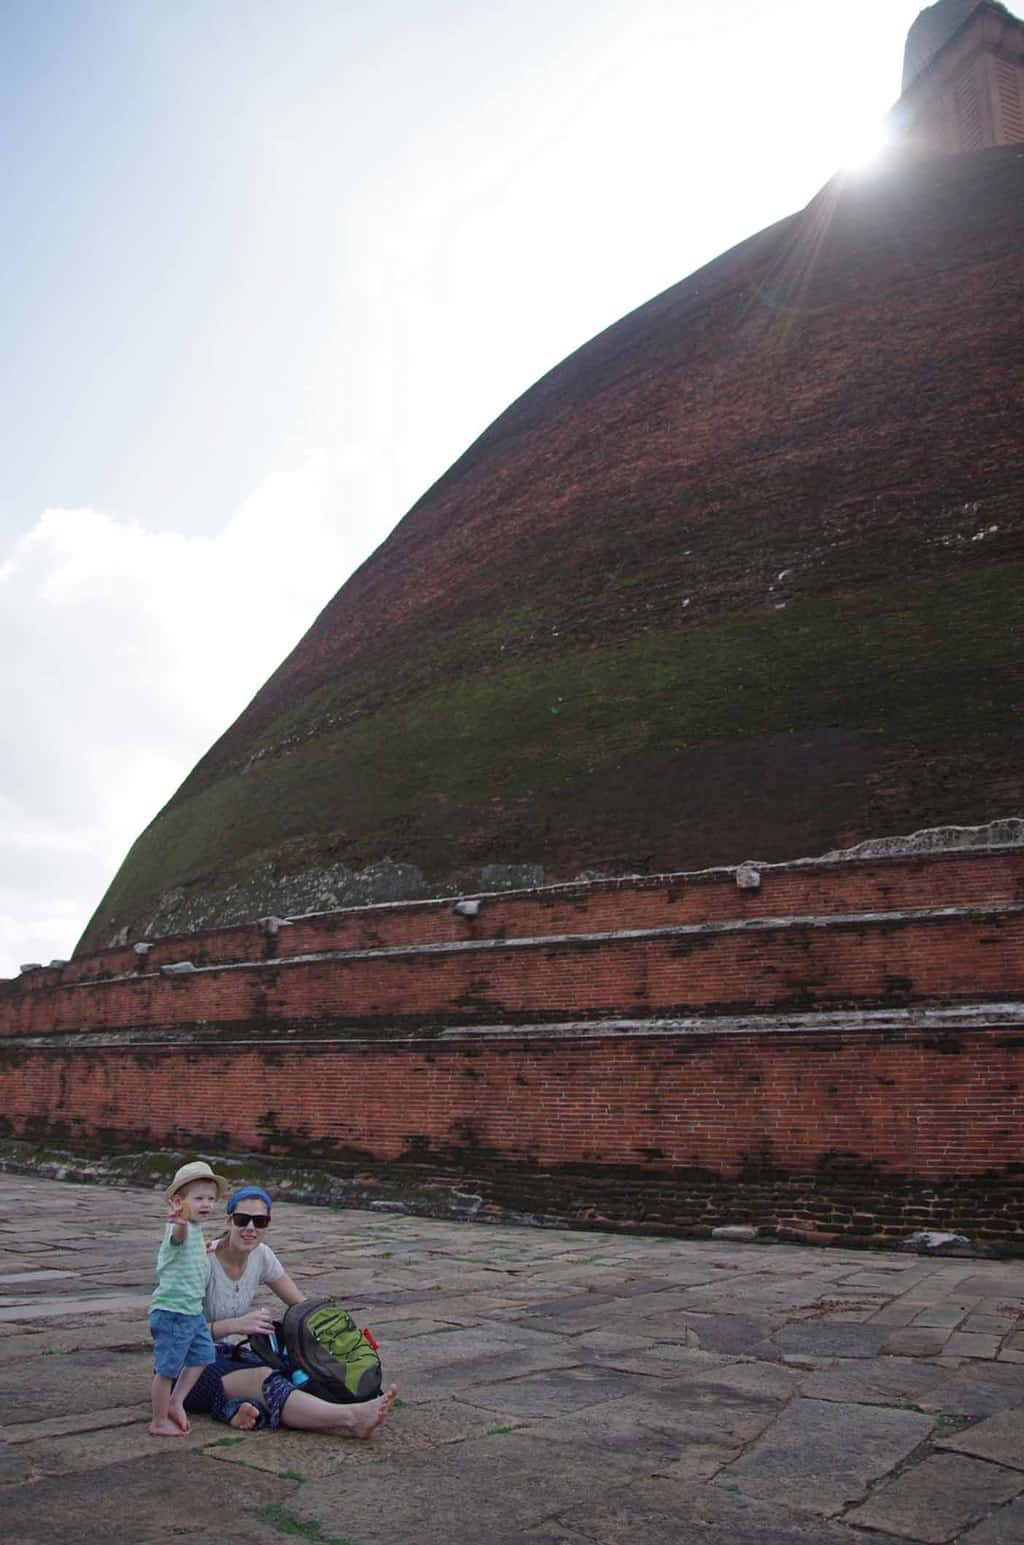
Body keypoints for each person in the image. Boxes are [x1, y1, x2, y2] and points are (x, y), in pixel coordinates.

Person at [184, 1184, 396, 1438]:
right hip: (188, 1367)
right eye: (242, 1220)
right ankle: (352, 1418)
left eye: (259, 1221)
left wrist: (336, 1340)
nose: (250, 1228)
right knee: (264, 1379)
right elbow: (179, 1334)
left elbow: (303, 1307)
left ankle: (234, 1409)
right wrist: (237, 1325)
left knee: (290, 1372)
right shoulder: (202, 1261)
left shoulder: (261, 1255)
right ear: (229, 1221)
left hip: (232, 1356)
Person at [149, 1159, 229, 1437]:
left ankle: (176, 1401)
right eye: (198, 1199)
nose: (206, 1204)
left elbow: (187, 1247)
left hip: (192, 1311)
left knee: (204, 1356)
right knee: (167, 1368)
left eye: (210, 1198)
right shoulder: (179, 1227)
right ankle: (158, 1419)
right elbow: (178, 1237)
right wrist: (180, 1223)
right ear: (178, 1202)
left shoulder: (194, 1229)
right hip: (173, 1311)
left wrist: (202, 1250)